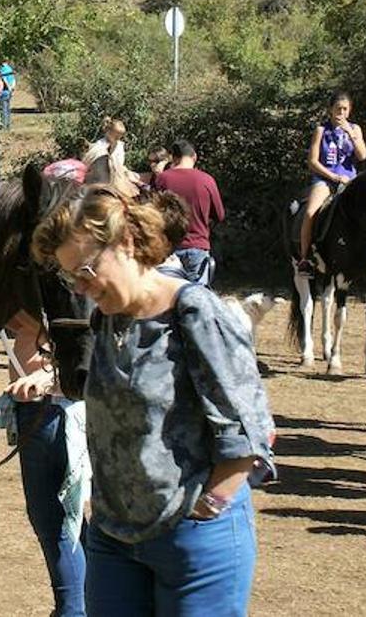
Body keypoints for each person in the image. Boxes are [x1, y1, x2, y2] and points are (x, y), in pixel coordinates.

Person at [33, 184, 275, 616]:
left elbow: (248, 431)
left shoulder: (196, 312)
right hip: (112, 537)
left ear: (125, 243)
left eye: (87, 270)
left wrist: (211, 506)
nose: (82, 287)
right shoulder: (106, 319)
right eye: (72, 277)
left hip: (194, 537)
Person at [0, 307, 89, 617]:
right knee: (62, 518)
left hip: (53, 408)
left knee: (55, 519)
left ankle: (73, 611)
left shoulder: (59, 285)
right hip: (41, 406)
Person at [297, 91, 366, 273]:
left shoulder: (355, 129)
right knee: (311, 212)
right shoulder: (321, 130)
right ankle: (305, 258)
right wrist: (333, 177)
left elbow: (362, 155)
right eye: (338, 109)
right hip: (326, 179)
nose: (341, 113)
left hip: (350, 180)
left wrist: (351, 134)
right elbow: (312, 161)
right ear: (330, 110)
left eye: (345, 109)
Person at [152, 140, 225, 286]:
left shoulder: (162, 179)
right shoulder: (206, 180)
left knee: (168, 297)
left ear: (173, 158)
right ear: (195, 157)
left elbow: (152, 212)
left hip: (168, 247)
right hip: (197, 246)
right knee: (196, 297)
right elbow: (219, 215)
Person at [0, 58, 17, 131]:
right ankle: (8, 125)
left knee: (3, 109)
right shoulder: (10, 69)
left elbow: (4, 79)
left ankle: (4, 126)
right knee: (8, 109)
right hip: (9, 92)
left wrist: (8, 87)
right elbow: (14, 80)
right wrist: (12, 89)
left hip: (4, 91)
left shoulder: (3, 69)